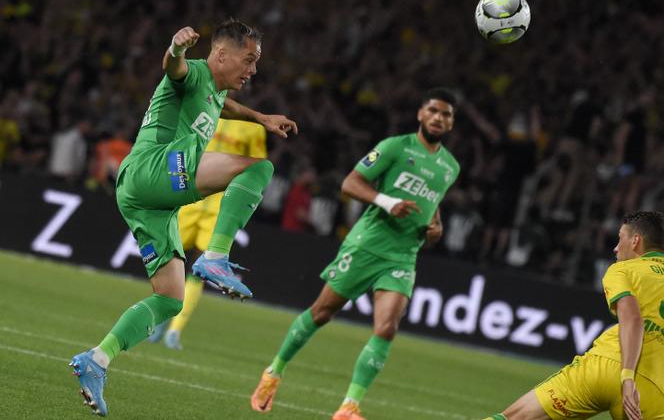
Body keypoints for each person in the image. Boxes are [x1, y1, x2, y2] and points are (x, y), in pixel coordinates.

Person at [69, 19, 297, 416]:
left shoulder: (212, 90)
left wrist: (260, 117)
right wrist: (176, 48)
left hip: (144, 198)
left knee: (171, 299)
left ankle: (97, 360)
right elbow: (174, 68)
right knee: (257, 169)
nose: (254, 70)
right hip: (152, 168)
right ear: (221, 54)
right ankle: (215, 257)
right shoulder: (192, 73)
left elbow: (223, 104)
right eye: (249, 59)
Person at [251, 88, 460, 420]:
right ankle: (273, 373)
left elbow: (433, 212)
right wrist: (388, 203)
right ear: (421, 114)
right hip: (367, 245)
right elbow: (350, 184)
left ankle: (349, 407)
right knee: (321, 313)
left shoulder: (450, 167)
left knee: (386, 328)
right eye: (434, 110)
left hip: (403, 256)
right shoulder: (395, 147)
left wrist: (437, 230)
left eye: (446, 114)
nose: (439, 117)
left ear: (451, 124)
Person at [483, 211, 664, 420]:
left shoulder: (623, 270)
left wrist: (627, 377)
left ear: (635, 241)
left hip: (603, 368)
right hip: (655, 387)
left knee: (515, 417)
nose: (615, 248)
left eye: (620, 238)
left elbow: (632, 318)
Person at [149, 117, 267, 350]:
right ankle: (163, 315)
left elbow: (257, 168)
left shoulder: (253, 127)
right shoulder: (205, 110)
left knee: (202, 267)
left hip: (218, 207)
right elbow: (179, 146)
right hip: (189, 197)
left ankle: (175, 329)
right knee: (168, 258)